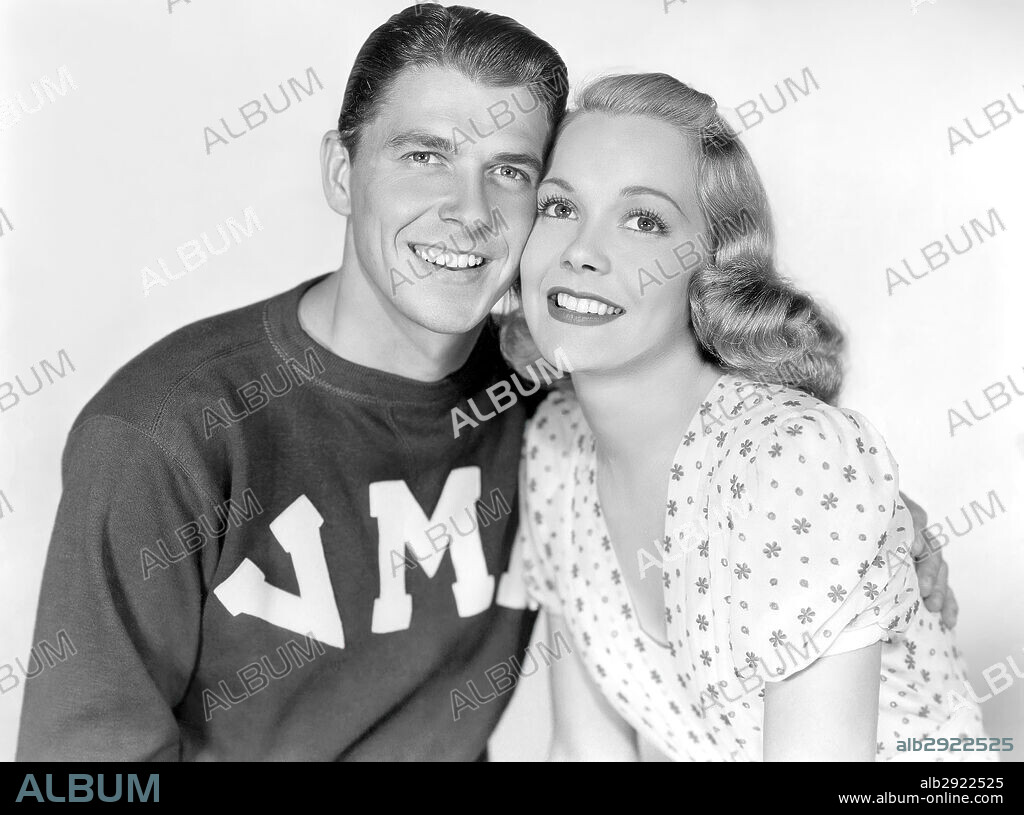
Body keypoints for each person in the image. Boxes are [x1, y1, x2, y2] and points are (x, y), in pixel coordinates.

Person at [17, 5, 953, 761]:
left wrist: (884, 523)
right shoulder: (166, 432)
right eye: (423, 155)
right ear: (341, 173)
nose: (467, 212)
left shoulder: (545, 393)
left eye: (510, 173)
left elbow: (758, 458)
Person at [504, 73, 986, 761]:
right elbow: (583, 749)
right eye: (558, 207)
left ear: (714, 267)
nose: (582, 249)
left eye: (644, 220)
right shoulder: (555, 443)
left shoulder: (791, 460)